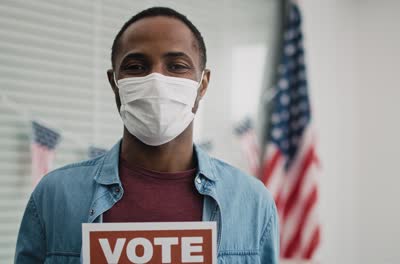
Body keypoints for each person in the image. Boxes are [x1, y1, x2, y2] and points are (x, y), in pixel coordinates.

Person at [15, 6, 279, 264]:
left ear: (203, 83)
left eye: (176, 66)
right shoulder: (56, 195)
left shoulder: (251, 202)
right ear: (114, 82)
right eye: (136, 66)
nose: (156, 81)